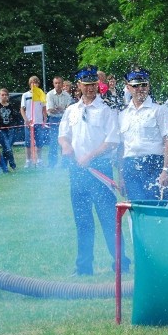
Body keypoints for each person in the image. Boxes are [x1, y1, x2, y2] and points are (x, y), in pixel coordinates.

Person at [58, 66, 129, 276]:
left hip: (99, 170)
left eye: (93, 85)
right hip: (77, 171)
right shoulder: (71, 110)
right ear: (78, 86)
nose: (90, 88)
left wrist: (90, 156)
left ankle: (121, 264)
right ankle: (83, 268)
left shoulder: (106, 110)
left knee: (108, 219)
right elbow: (63, 134)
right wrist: (66, 146)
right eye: (86, 85)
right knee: (82, 221)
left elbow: (112, 141)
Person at [118, 69, 168, 201]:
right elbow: (122, 147)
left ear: (148, 86)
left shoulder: (160, 110)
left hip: (153, 165)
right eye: (135, 86)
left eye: (144, 85)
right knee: (136, 210)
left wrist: (166, 170)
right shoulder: (122, 115)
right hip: (130, 167)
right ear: (128, 87)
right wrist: (121, 177)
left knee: (157, 209)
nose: (140, 89)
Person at [21, 76, 48, 168]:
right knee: (28, 143)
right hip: (29, 123)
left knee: (39, 142)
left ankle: (39, 160)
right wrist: (26, 119)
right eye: (32, 82)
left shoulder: (41, 94)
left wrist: (45, 120)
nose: (34, 84)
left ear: (38, 84)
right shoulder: (25, 95)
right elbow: (22, 109)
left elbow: (44, 108)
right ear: (29, 84)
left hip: (39, 122)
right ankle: (28, 161)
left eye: (36, 82)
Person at [46, 76, 71, 168]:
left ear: (62, 84)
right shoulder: (49, 94)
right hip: (53, 120)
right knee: (53, 142)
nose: (57, 85)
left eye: (59, 83)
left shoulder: (67, 95)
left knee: (65, 142)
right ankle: (52, 163)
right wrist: (62, 109)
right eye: (56, 83)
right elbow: (50, 110)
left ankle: (65, 163)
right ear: (53, 84)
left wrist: (60, 110)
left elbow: (69, 111)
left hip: (64, 120)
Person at [0, 88, 18, 172]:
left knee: (6, 149)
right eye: (2, 95)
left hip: (10, 129)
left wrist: (13, 126)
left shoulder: (10, 106)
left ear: (8, 96)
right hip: (1, 130)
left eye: (5, 95)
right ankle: (13, 164)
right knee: (7, 147)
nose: (4, 96)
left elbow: (14, 117)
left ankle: (4, 168)